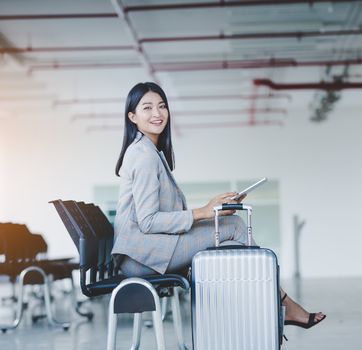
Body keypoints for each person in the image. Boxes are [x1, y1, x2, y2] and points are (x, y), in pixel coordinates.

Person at [112, 82, 326, 329]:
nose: (157, 114)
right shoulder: (143, 156)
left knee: (232, 240)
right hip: (140, 258)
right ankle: (279, 305)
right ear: (132, 116)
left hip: (148, 251)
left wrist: (212, 210)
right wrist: (205, 211)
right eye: (147, 108)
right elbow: (148, 221)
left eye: (162, 106)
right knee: (234, 225)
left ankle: (252, 316)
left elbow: (160, 217)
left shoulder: (149, 152)